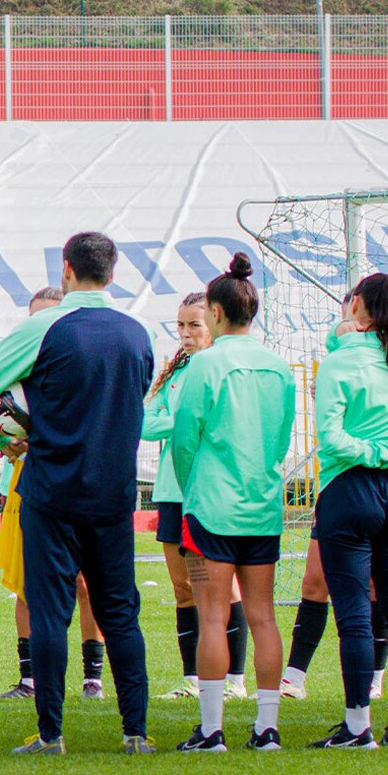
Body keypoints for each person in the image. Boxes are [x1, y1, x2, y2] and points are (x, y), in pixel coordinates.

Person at [0, 232, 154, 756]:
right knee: (120, 612)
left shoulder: (42, 327)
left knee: (50, 613)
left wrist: (2, 441)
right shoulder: (136, 334)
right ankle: (135, 733)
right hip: (113, 494)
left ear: (66, 268)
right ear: (112, 273)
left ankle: (51, 734)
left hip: (51, 492)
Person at [167, 256, 295, 752]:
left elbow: (184, 437)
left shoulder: (205, 364)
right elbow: (281, 437)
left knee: (212, 617)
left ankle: (211, 728)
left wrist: (193, 485)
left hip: (212, 506)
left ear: (216, 313)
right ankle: (267, 727)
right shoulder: (278, 366)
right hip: (261, 505)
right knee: (262, 615)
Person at [307, 272, 388, 749]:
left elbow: (331, 436)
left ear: (358, 305)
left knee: (355, 611)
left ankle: (358, 725)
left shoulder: (342, 361)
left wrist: (370, 451)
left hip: (351, 487)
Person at [0, 287, 105, 702]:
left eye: (49, 317)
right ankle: (30, 680)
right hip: (25, 485)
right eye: (35, 317)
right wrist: (3, 439)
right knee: (27, 583)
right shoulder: (16, 367)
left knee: (84, 582)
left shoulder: (82, 366)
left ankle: (93, 679)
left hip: (76, 483)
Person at [143, 292, 219, 701]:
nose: (186, 334)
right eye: (181, 326)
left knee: (220, 586)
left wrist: (177, 422)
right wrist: (183, 421)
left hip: (208, 491)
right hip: (172, 490)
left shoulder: (219, 368)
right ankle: (192, 677)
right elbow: (145, 422)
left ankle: (233, 678)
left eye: (194, 325)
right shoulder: (175, 372)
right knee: (183, 586)